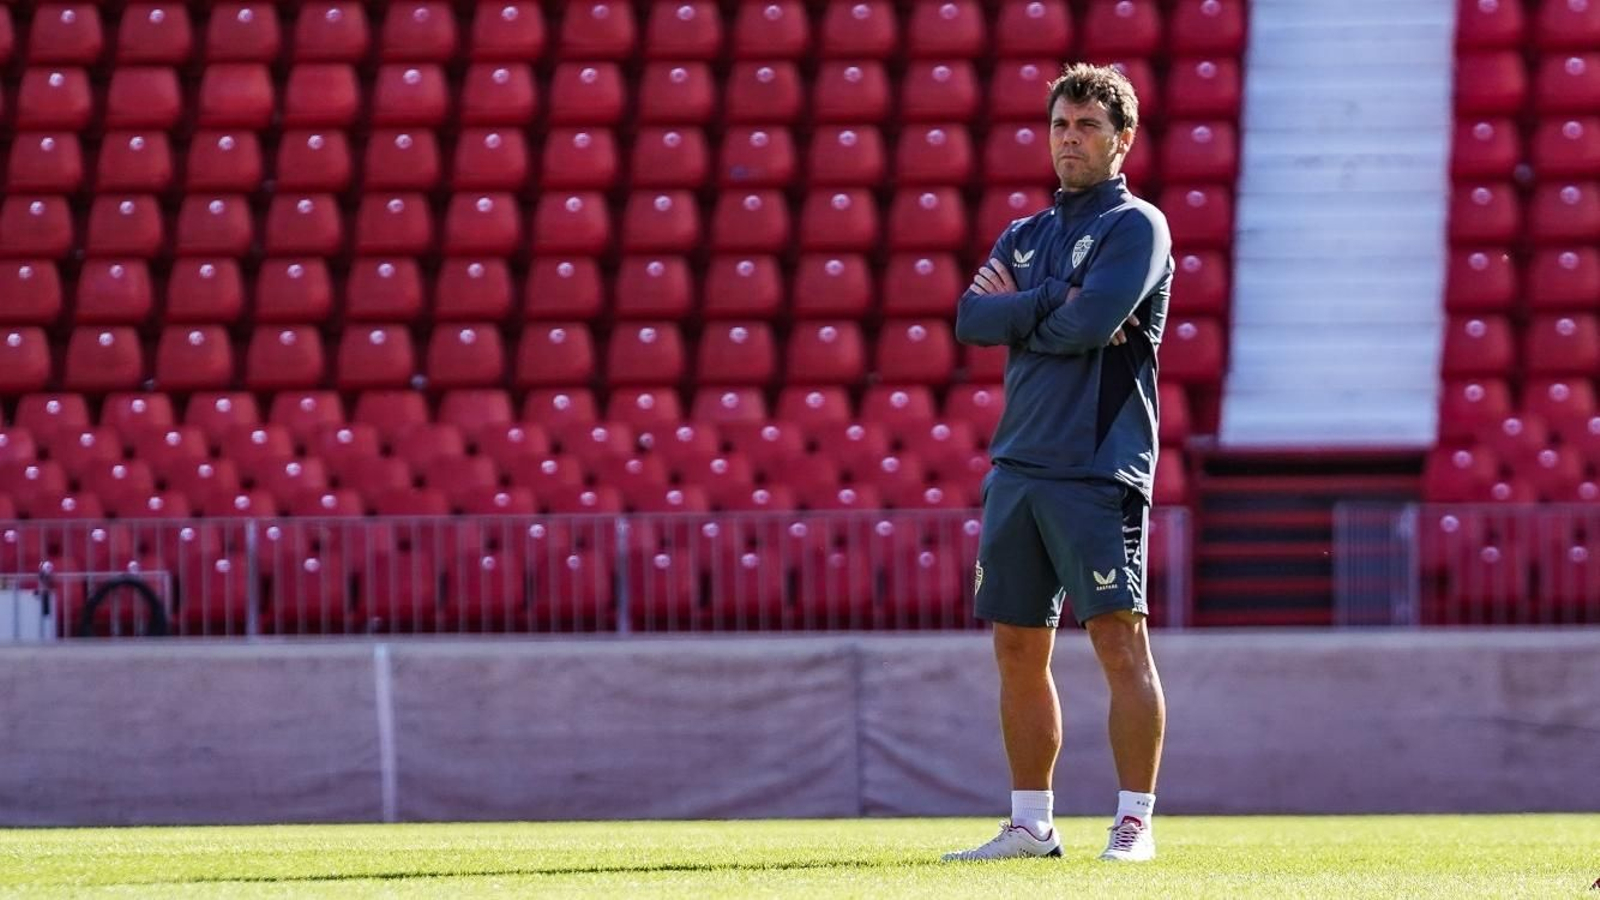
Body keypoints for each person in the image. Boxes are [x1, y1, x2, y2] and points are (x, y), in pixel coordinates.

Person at [940, 62, 1172, 863]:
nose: (1069, 140)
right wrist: (1052, 300)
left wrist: (1033, 308)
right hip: (1020, 464)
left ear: (1122, 139)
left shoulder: (1136, 226)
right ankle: (1031, 824)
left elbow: (1092, 325)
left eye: (1087, 128)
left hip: (1097, 465)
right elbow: (972, 318)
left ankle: (1133, 822)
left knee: (1117, 639)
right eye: (1060, 126)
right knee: (1015, 645)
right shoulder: (1023, 233)